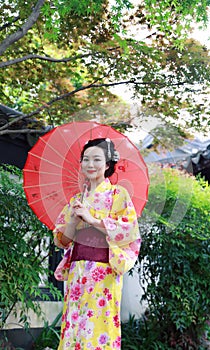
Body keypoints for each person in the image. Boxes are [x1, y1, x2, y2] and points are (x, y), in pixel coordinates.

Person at [53, 138, 141, 350]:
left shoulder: (118, 195)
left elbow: (128, 232)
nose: (90, 164)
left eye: (97, 159)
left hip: (104, 271)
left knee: (99, 327)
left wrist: (92, 220)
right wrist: (73, 221)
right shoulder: (76, 199)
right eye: (86, 159)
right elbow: (62, 241)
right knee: (74, 323)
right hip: (77, 271)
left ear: (108, 164)